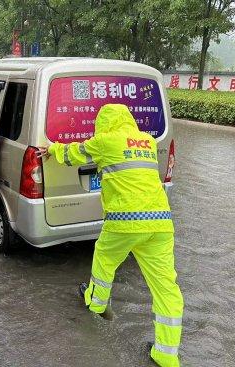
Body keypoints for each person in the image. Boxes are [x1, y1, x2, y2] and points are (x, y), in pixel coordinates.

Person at [37, 104, 184, 367]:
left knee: (104, 260)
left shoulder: (105, 141)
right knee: (166, 288)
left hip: (125, 221)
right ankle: (166, 354)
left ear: (104, 123)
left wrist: (53, 149)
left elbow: (75, 154)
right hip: (161, 222)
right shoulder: (148, 141)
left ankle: (96, 304)